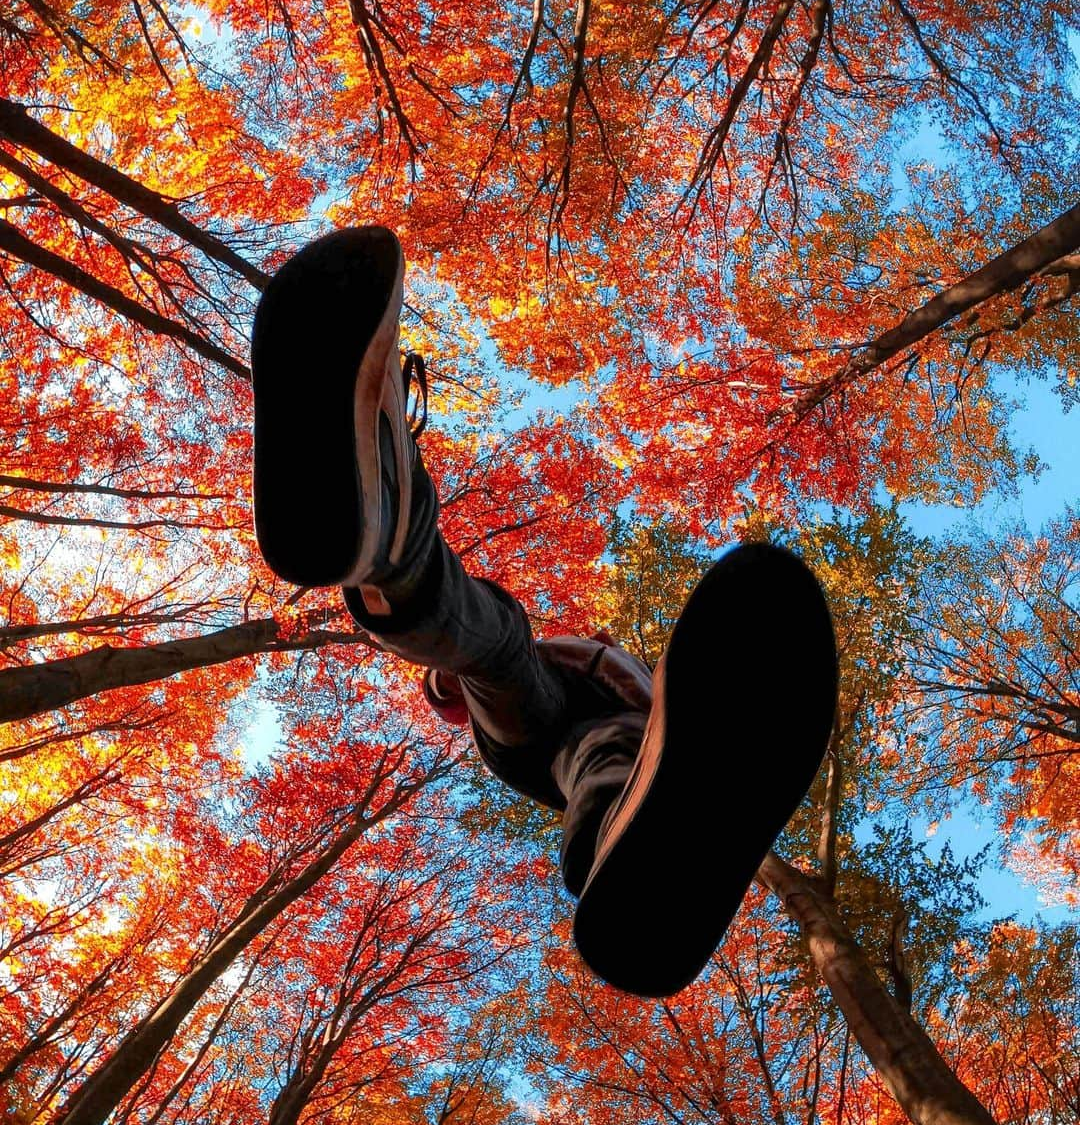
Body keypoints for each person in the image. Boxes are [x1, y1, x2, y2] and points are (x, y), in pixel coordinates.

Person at [250, 226, 838, 998]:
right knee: (501, 642)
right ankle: (385, 539)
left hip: (543, 750)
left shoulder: (640, 687)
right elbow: (462, 672)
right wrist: (447, 683)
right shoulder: (626, 674)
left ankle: (623, 837)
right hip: (550, 699)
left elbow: (465, 690)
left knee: (591, 740)